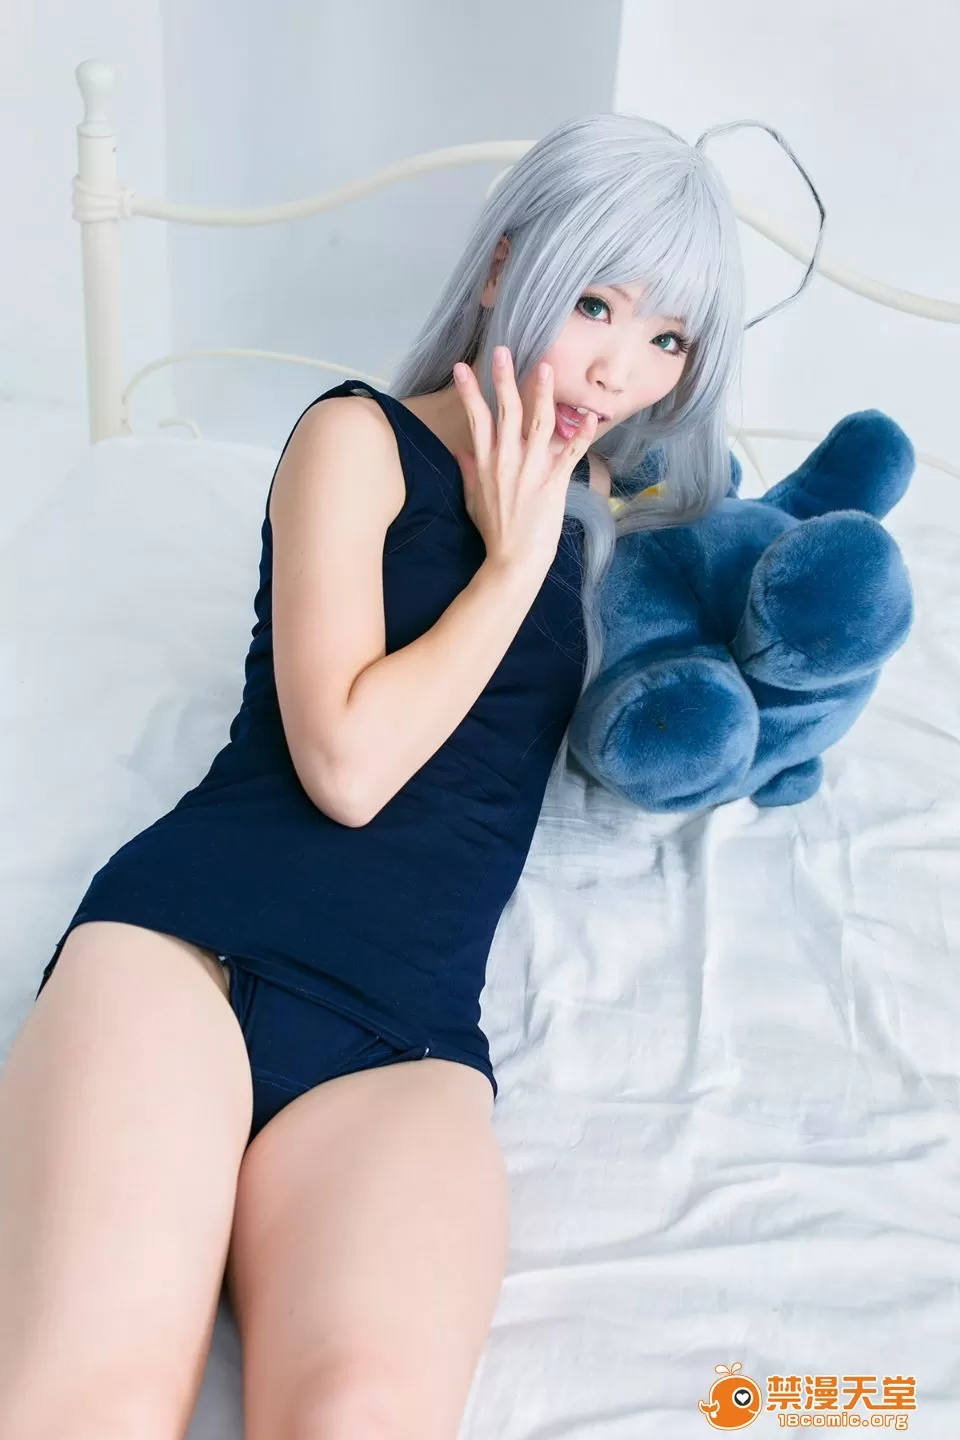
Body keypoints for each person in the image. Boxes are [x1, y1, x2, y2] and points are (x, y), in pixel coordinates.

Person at [0, 110, 820, 1439]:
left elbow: (713, 685)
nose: (617, 370)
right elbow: (346, 765)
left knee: (361, 1416)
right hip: (190, 951)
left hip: (404, 1039)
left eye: (668, 341)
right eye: (596, 305)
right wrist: (512, 566)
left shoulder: (610, 539)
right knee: (96, 1399)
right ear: (503, 268)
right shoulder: (357, 439)